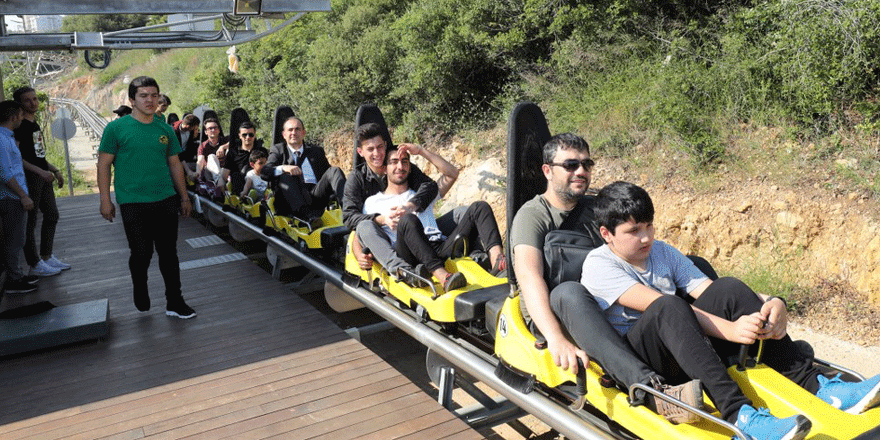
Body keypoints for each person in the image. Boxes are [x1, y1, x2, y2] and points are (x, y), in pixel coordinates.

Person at [582, 181, 880, 440]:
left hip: (685, 342)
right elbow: (662, 307)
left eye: (649, 226)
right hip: (648, 362)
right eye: (633, 231)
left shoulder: (661, 251)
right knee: (668, 305)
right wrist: (730, 330)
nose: (646, 237)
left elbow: (710, 291)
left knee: (729, 287)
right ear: (607, 233)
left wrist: (773, 302)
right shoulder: (599, 265)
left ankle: (818, 385)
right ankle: (740, 416)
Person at [509, 133, 703, 423]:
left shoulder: (594, 209)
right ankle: (652, 392)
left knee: (695, 264)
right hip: (559, 312)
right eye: (571, 165)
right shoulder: (533, 216)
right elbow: (529, 277)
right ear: (548, 170)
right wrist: (555, 337)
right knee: (568, 292)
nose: (581, 172)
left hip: (604, 302)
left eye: (586, 164)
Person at [96, 76, 196, 319]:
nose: (150, 100)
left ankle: (175, 301)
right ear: (132, 100)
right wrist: (105, 200)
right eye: (143, 95)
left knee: (169, 253)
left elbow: (175, 164)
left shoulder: (164, 129)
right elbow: (103, 165)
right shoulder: (116, 129)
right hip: (132, 201)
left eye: (154, 95)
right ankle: (140, 285)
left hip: (165, 199)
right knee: (142, 253)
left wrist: (184, 197)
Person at [360, 146, 505, 291]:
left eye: (405, 162)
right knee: (408, 220)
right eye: (394, 162)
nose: (400, 166)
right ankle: (443, 277)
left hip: (438, 247)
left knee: (480, 207)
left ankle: (498, 262)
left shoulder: (423, 193)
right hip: (409, 254)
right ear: (384, 169)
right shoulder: (373, 202)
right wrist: (360, 254)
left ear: (410, 168)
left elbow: (452, 173)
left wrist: (421, 151)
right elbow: (361, 231)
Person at [344, 122, 441, 282]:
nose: (377, 153)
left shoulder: (399, 165)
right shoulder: (356, 179)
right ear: (360, 152)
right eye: (370, 149)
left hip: (412, 232)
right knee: (365, 226)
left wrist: (411, 204)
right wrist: (381, 220)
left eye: (380, 147)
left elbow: (429, 186)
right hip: (379, 237)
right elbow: (350, 218)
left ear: (385, 145)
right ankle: (403, 271)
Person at [13, 86, 71, 278]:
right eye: (28, 100)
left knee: (52, 214)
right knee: (31, 221)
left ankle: (47, 255)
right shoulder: (20, 128)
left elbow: (39, 155)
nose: (33, 103)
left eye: (35, 99)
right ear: (20, 104)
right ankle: (34, 262)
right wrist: (40, 171)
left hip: (44, 175)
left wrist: (54, 169)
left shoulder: (35, 125)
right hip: (31, 177)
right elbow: (16, 157)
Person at [261, 117, 345, 220]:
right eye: (290, 130)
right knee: (285, 176)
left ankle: (348, 209)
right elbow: (264, 172)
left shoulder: (316, 151)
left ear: (303, 132)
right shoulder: (278, 150)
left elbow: (328, 177)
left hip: (315, 196)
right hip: (291, 201)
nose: (294, 133)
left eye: (297, 129)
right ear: (284, 134)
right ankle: (307, 217)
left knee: (334, 171)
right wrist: (283, 168)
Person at [0, 100, 38, 294]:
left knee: (17, 239)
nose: (22, 118)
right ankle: (14, 281)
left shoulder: (7, 137)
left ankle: (18, 275)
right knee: (14, 241)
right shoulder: (1, 139)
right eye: (20, 115)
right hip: (11, 197)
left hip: (13, 197)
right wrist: (23, 195)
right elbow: (5, 172)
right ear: (14, 116)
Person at [219, 120, 267, 195]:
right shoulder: (233, 153)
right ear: (240, 135)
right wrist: (221, 186)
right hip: (239, 187)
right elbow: (224, 175)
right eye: (244, 135)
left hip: (260, 185)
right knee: (236, 175)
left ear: (254, 135)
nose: (248, 137)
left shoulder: (262, 151)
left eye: (250, 134)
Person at [195, 118, 226, 187]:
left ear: (218, 130)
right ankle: (220, 182)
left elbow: (236, 142)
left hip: (225, 171)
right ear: (206, 132)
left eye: (215, 128)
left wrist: (223, 147)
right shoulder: (203, 146)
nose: (213, 130)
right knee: (211, 156)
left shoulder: (225, 140)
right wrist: (198, 172)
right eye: (210, 128)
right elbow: (200, 161)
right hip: (210, 173)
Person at [173, 114, 200, 180]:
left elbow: (191, 146)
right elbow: (176, 150)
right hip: (176, 156)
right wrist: (188, 170)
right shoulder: (173, 132)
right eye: (194, 128)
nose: (195, 129)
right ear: (187, 126)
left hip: (187, 155)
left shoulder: (191, 131)